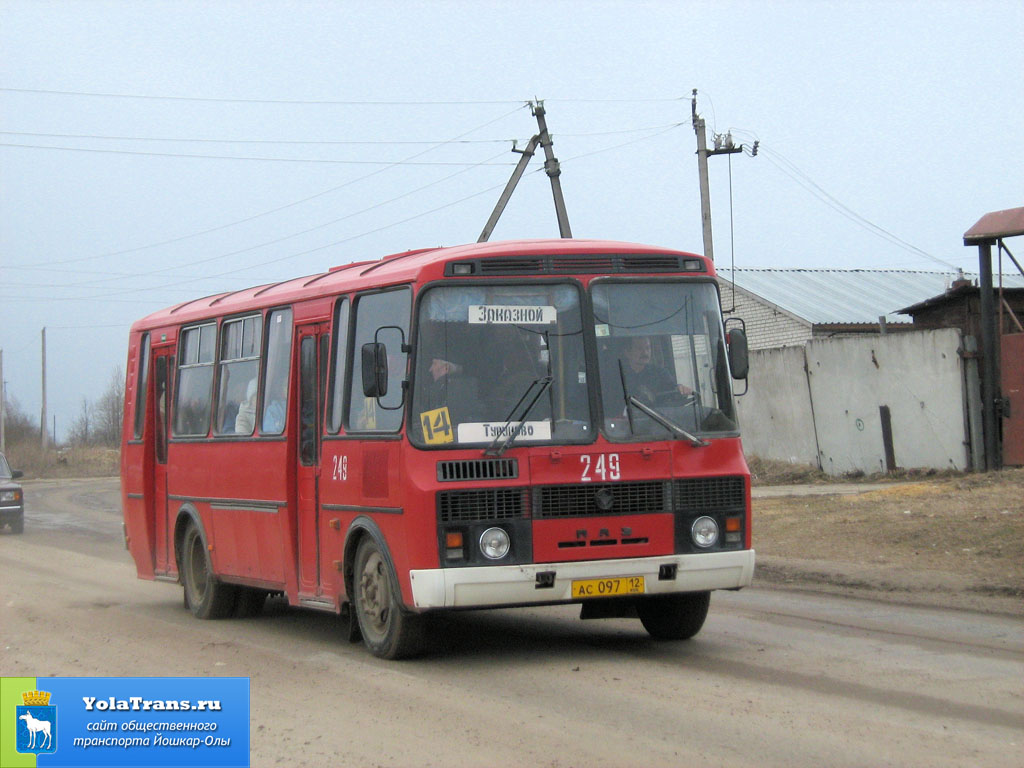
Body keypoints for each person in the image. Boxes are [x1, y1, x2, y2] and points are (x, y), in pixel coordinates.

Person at [621, 336, 693, 405]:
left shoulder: (660, 373)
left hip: (657, 417)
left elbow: (673, 392)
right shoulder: (618, 376)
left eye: (648, 348)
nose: (645, 353)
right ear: (627, 353)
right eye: (639, 349)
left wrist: (681, 389)